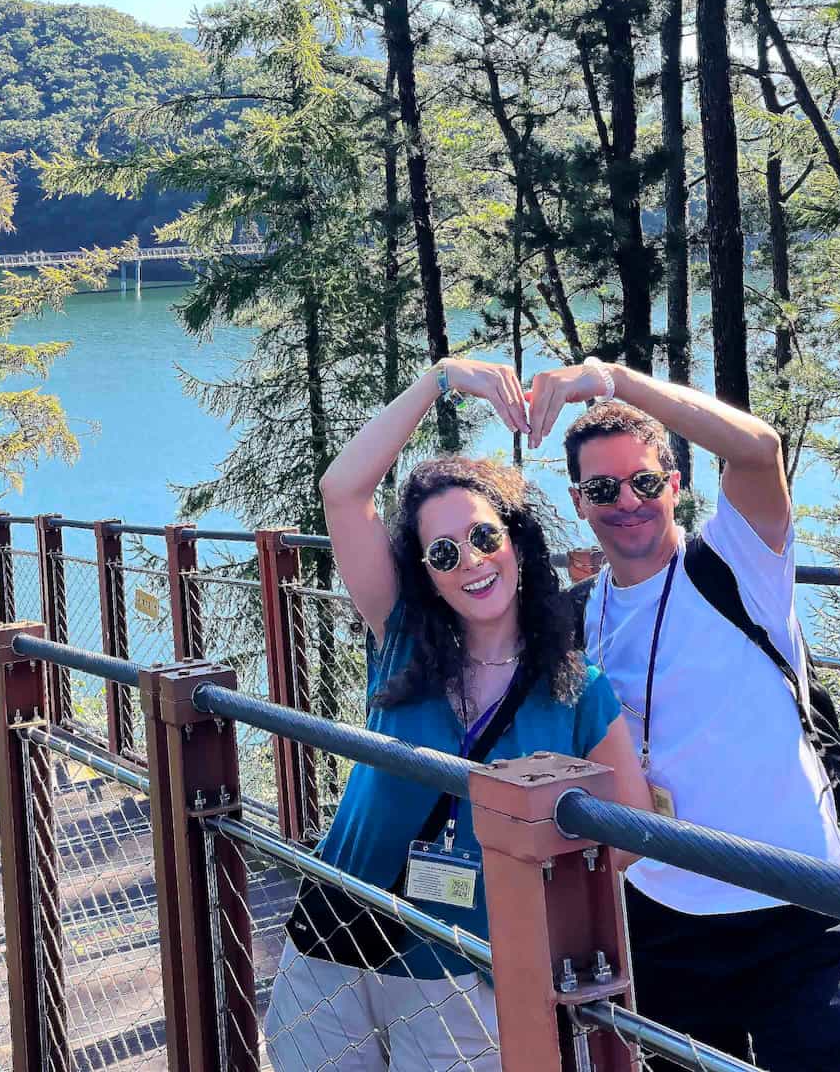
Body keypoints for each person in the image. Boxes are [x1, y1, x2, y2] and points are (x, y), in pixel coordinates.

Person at [263, 358, 649, 1072]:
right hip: (336, 935)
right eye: (443, 552)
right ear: (427, 573)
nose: (470, 561)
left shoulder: (574, 688)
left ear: (516, 541)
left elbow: (628, 830)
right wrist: (438, 380)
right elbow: (343, 491)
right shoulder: (403, 639)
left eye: (483, 537)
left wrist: (537, 861)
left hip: (464, 967)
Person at [525, 361, 840, 1071]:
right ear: (579, 502)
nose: (628, 501)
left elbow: (758, 449)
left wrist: (613, 379)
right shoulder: (578, 618)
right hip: (662, 916)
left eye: (645, 481)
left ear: (676, 486)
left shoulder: (739, 565)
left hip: (799, 903)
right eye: (603, 489)